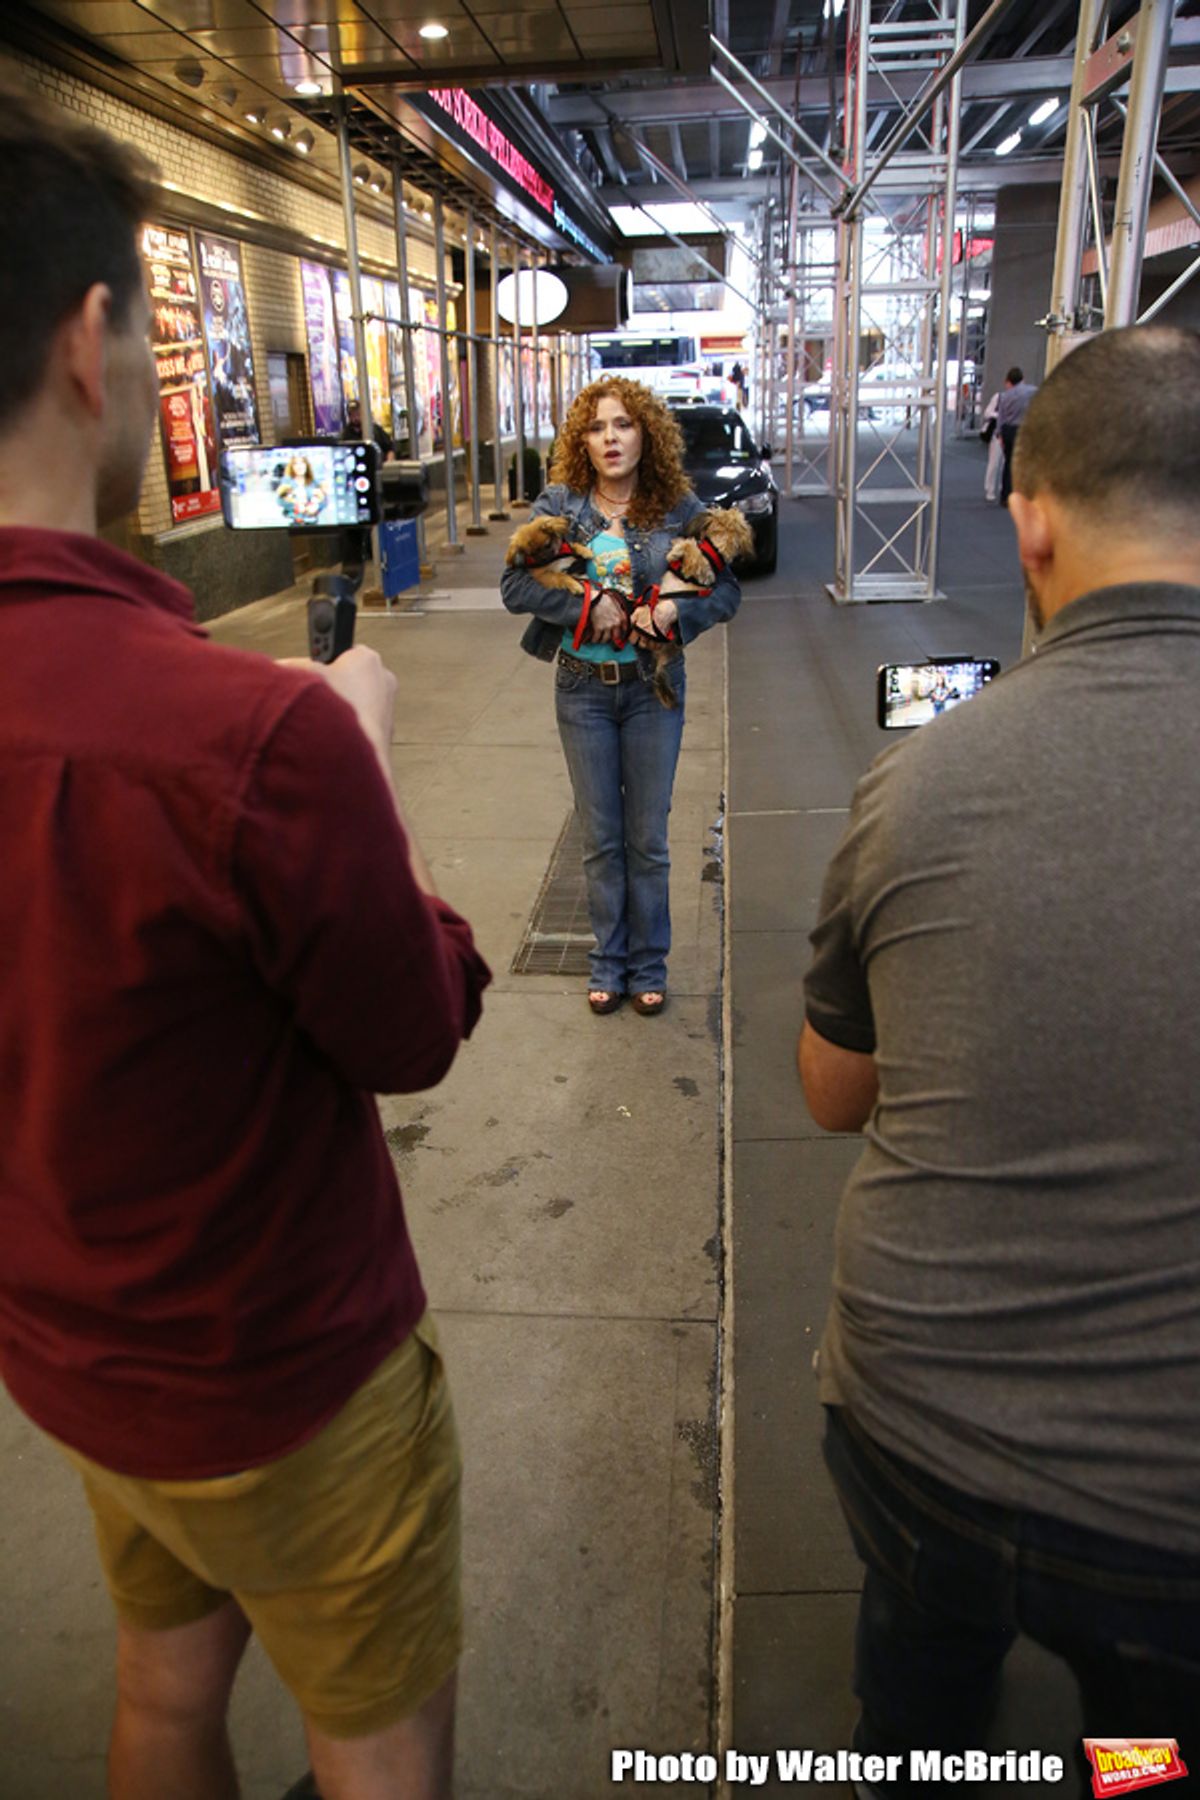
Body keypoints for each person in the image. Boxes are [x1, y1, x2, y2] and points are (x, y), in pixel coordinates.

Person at [0, 81, 491, 1800]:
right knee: (378, 1745)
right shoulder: (249, 739)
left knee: (160, 1696)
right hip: (291, 1384)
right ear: (91, 343)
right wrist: (354, 759)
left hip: (71, 1364)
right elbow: (415, 1027)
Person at [798, 325, 1200, 1794]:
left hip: (920, 1447)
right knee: (1140, 1756)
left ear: (1029, 523)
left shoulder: (920, 775)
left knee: (920, 1709)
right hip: (1169, 1534)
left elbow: (834, 1091)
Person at [501, 377, 741, 1017]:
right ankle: (608, 961)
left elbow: (726, 590)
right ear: (582, 440)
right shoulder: (561, 504)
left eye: (623, 425)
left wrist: (676, 614)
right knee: (601, 838)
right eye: (597, 427)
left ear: (646, 435)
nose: (610, 438)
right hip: (582, 690)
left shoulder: (678, 507)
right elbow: (515, 587)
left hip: (652, 691)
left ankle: (648, 964)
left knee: (648, 840)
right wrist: (587, 604)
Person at [996, 362, 1037, 506]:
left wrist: (999, 434)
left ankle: (1005, 496)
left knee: (1008, 464)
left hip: (1008, 430)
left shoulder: (1004, 396)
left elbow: (1001, 417)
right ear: (1022, 378)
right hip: (1022, 430)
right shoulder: (1031, 391)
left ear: (1009, 381)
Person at [275, 450, 329, 523]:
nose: (299, 466)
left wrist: (317, 506)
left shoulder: (314, 481)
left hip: (312, 522)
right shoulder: (287, 481)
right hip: (293, 522)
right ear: (292, 467)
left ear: (306, 465)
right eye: (296, 464)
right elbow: (279, 501)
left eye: (302, 463)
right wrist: (295, 506)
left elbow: (325, 500)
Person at [980, 388, 1003, 503]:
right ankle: (990, 489)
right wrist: (999, 415)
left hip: (1009, 434)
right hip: (996, 434)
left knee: (1006, 464)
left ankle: (1003, 488)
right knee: (994, 463)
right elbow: (987, 413)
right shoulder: (999, 397)